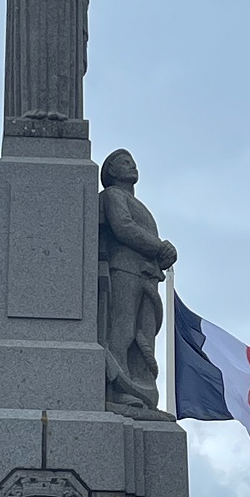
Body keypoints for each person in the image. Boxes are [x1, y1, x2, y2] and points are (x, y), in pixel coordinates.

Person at [99, 149, 177, 417]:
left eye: (132, 161)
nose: (132, 165)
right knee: (123, 331)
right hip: (125, 268)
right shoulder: (113, 195)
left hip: (146, 272)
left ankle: (140, 390)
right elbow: (123, 227)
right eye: (124, 162)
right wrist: (159, 247)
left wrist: (160, 254)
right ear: (110, 172)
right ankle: (118, 389)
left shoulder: (137, 202)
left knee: (143, 334)